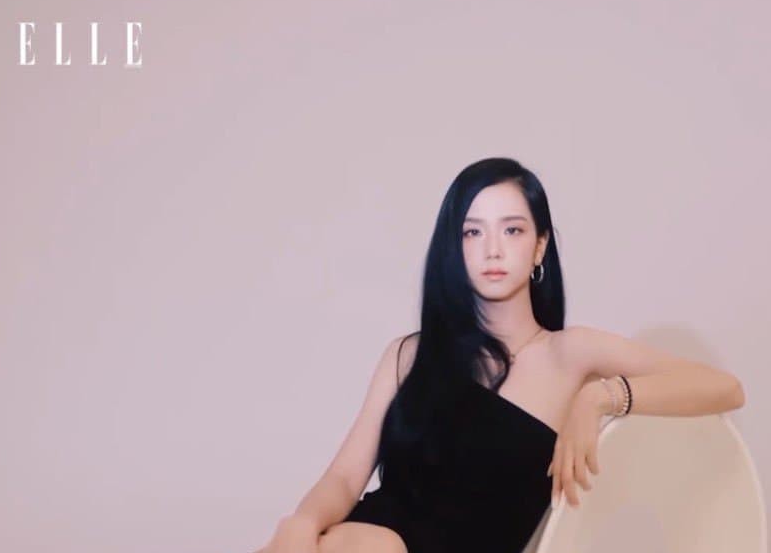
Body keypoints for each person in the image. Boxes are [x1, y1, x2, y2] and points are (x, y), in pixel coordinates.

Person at [253, 157, 745, 553]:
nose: (492, 249)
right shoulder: (409, 355)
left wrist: (599, 397)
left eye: (511, 230)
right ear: (455, 249)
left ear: (539, 246)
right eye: (473, 232)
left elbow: (725, 387)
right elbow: (344, 477)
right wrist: (302, 523)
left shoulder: (570, 355)